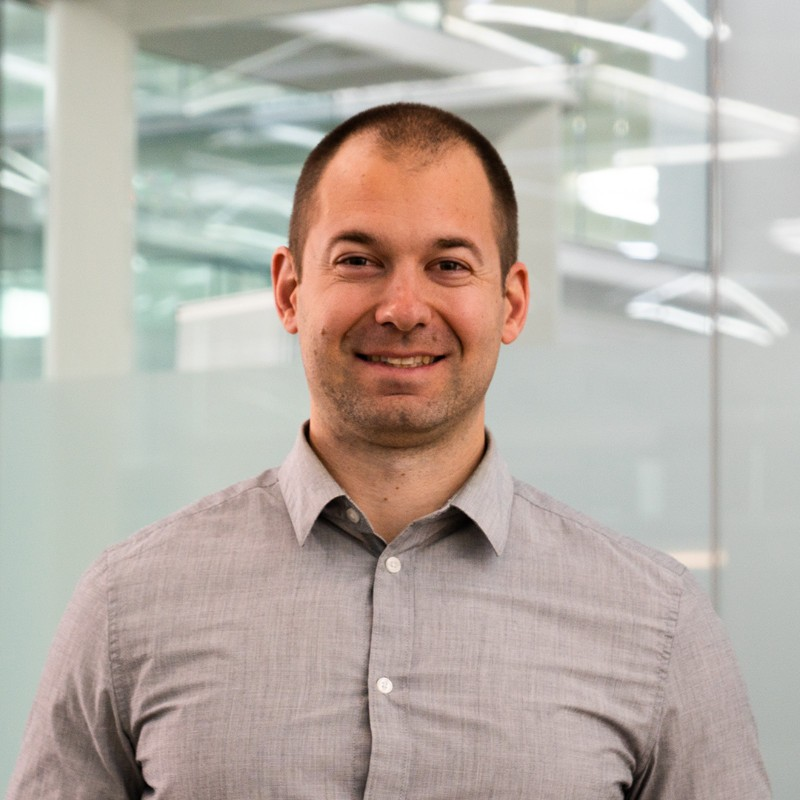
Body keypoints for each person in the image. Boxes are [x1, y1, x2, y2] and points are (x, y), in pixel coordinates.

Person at [7, 103, 769, 799]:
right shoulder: (128, 604)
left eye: (448, 265)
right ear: (289, 291)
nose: (404, 310)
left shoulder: (655, 621)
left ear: (509, 302)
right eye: (359, 260)